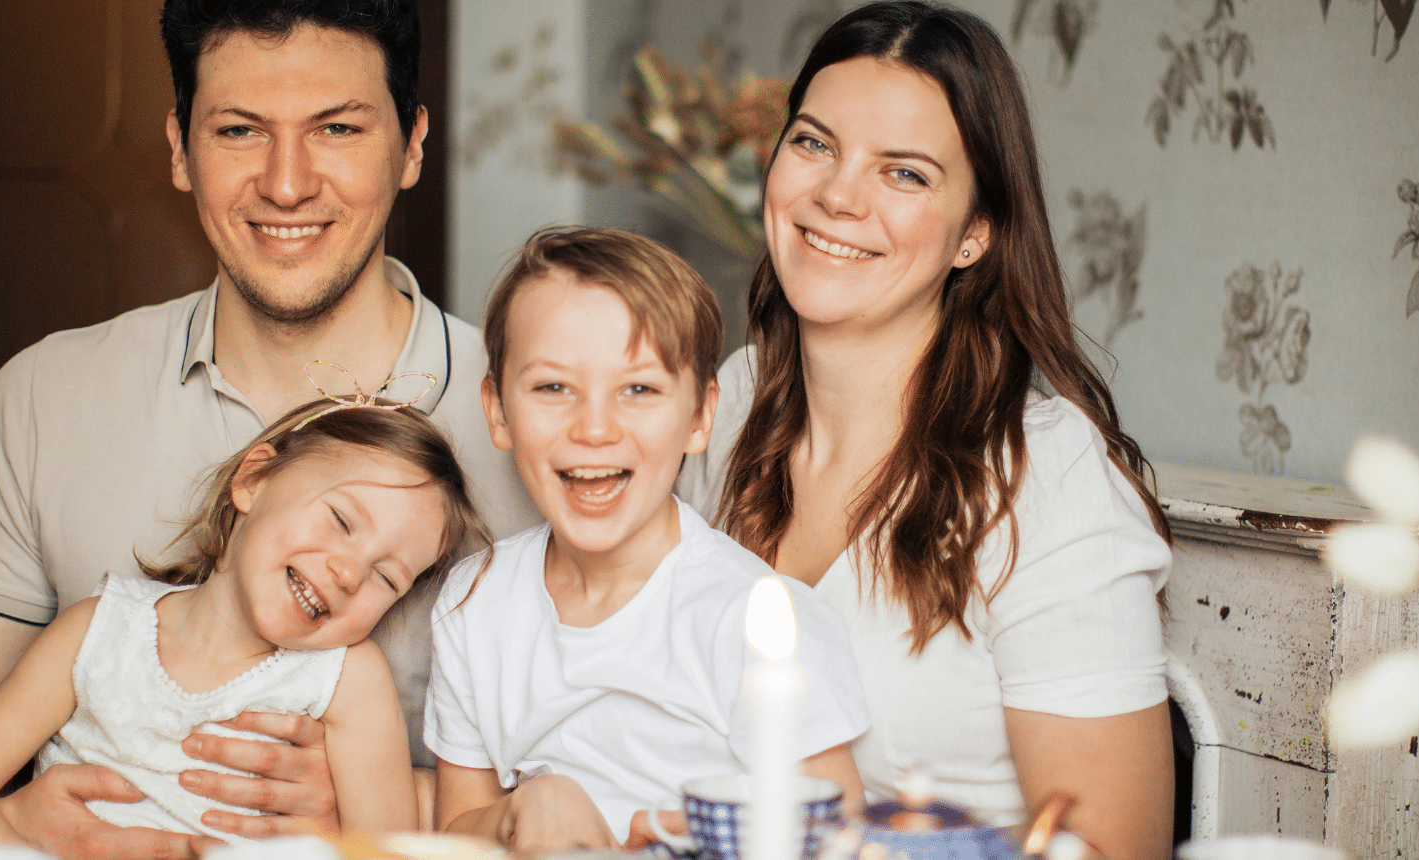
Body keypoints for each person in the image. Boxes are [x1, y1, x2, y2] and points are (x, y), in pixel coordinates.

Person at [0, 1, 536, 856]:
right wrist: (9, 826)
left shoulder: (548, 431)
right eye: (238, 130)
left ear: (412, 143)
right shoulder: (44, 396)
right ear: (179, 147)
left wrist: (387, 799)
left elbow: (630, 778)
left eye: (337, 128)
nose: (288, 182)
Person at [675, 4, 1177, 860]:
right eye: (814, 143)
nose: (836, 195)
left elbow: (1115, 848)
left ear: (975, 234)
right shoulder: (731, 399)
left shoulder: (1040, 479)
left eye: (903, 174)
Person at [429, 227, 869, 851]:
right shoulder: (473, 603)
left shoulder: (754, 618)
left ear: (699, 417)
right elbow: (457, 831)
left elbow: (835, 834)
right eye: (553, 387)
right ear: (498, 410)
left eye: (638, 389)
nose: (596, 428)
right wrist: (533, 808)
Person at [0, 392, 489, 848]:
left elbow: (381, 852)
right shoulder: (96, 633)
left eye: (388, 577)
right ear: (254, 480)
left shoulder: (349, 681)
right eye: (340, 520)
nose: (348, 572)